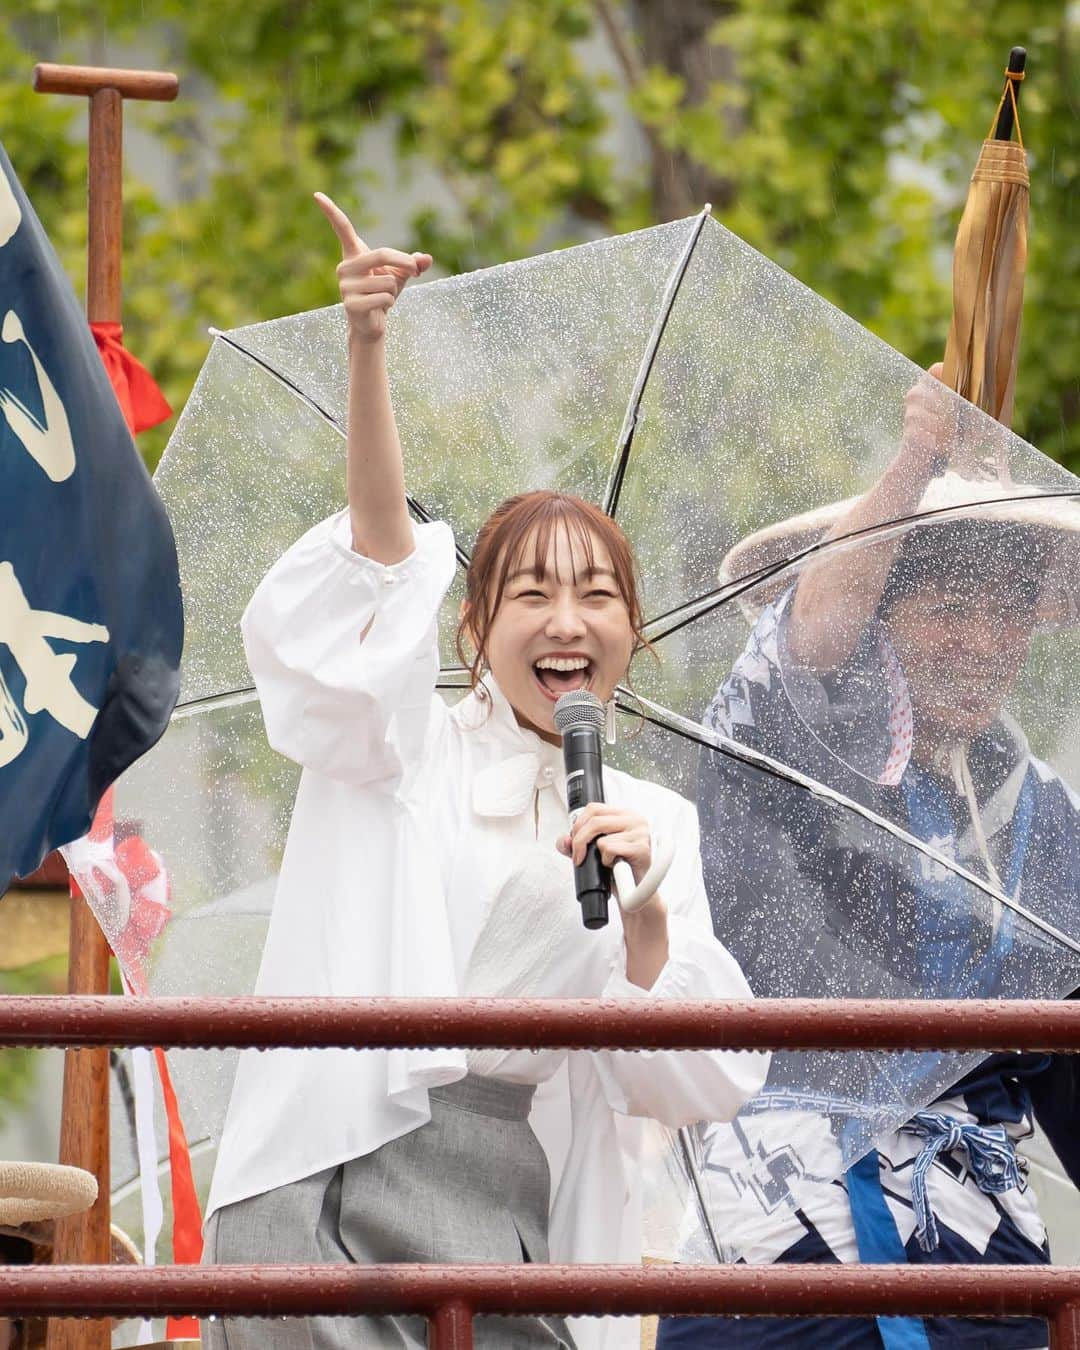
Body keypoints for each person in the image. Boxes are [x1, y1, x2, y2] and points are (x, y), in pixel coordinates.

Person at [199, 194, 769, 1350]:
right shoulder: (397, 745)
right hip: (333, 1163)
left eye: (598, 594)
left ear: (633, 631)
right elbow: (377, 554)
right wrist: (369, 350)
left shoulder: (656, 816)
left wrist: (648, 921)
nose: (567, 620)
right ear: (471, 627)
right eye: (532, 593)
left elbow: (696, 1088)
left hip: (501, 1186)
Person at [657, 366, 1080, 1350]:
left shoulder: (1045, 817)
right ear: (883, 608)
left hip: (982, 1244)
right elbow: (814, 638)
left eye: (1009, 607)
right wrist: (914, 469)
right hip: (787, 1235)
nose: (981, 639)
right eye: (945, 606)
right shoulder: (793, 734)